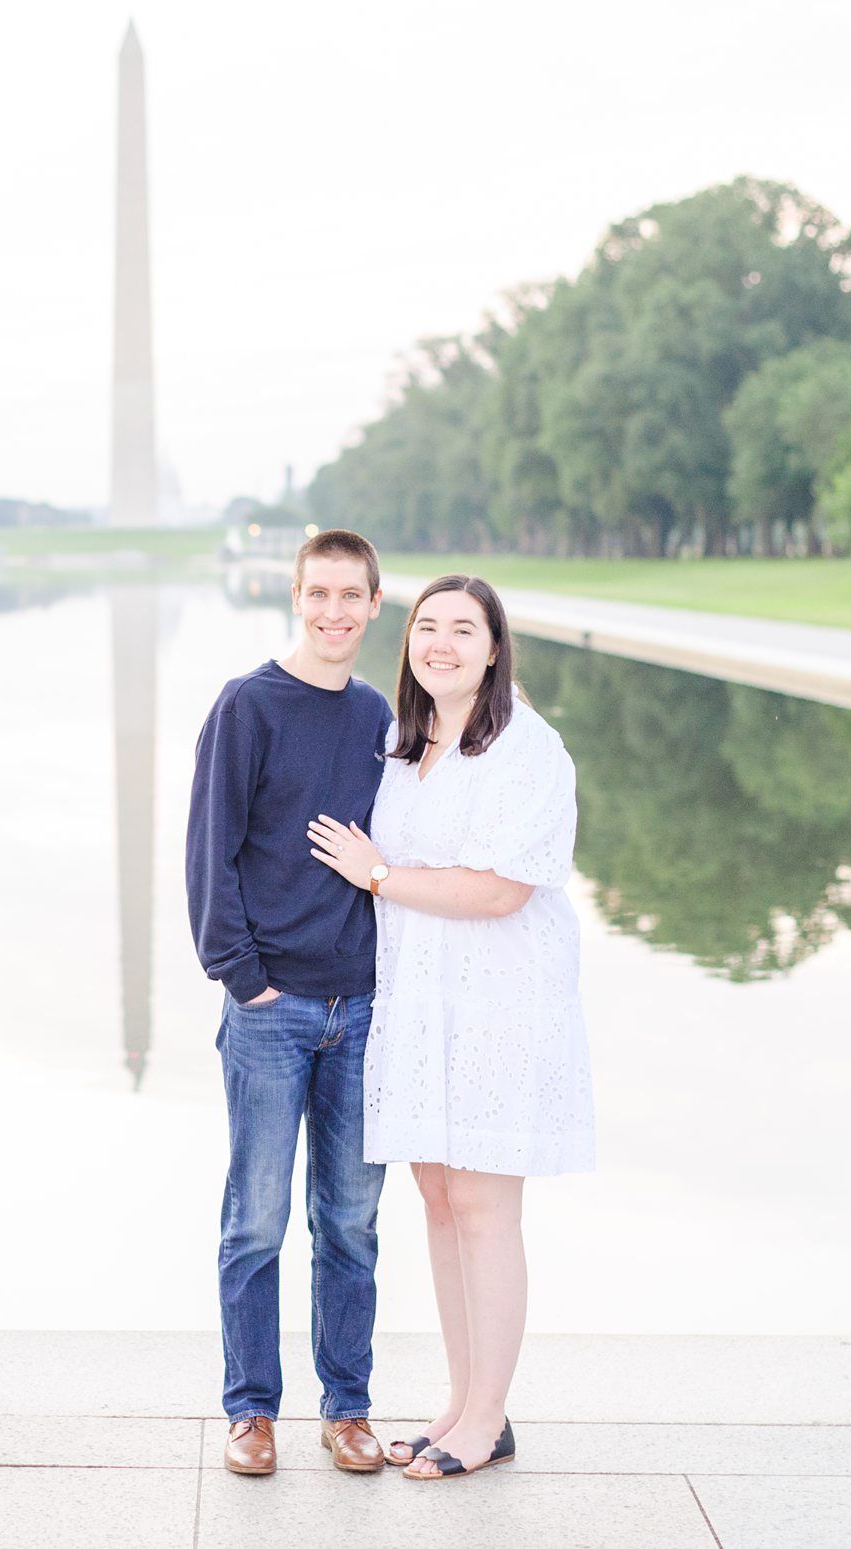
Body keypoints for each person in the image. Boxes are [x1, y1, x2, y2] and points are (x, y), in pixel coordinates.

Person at [306, 573, 592, 1482]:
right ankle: (464, 1401)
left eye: (463, 629)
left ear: (495, 647)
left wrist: (380, 876)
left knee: (483, 1207)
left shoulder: (525, 749)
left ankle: (490, 1416)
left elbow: (502, 888)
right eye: (426, 626)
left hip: (498, 1002)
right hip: (421, 1002)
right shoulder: (407, 744)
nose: (440, 643)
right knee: (436, 1199)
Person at [186, 529, 396, 1478]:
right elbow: (211, 850)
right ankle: (250, 1409)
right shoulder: (247, 706)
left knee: (350, 1220)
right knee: (256, 1218)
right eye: (319, 593)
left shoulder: (378, 718)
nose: (334, 612)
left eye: (351, 596)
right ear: (295, 596)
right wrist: (244, 976)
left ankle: (346, 1407)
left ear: (373, 605)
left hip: (360, 1010)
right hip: (271, 1009)